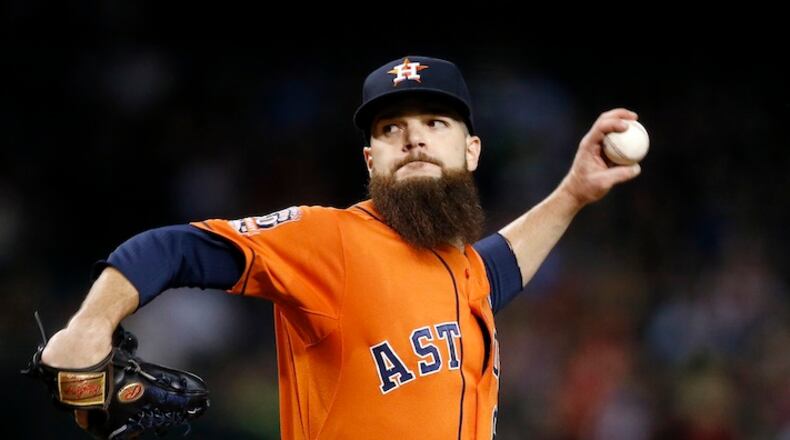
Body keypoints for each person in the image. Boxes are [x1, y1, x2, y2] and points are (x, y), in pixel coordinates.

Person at [40, 55, 642, 439]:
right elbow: (175, 248)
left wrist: (572, 193)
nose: (413, 139)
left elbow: (496, 271)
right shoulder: (330, 240)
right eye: (390, 129)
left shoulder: (461, 270)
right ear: (370, 159)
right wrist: (91, 322)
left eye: (435, 123)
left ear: (472, 151)